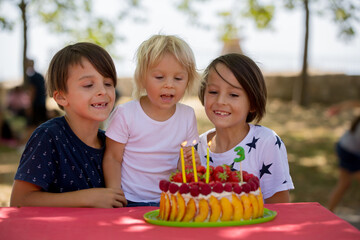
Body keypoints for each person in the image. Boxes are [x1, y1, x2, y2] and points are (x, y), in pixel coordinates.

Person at [10, 42, 127, 208]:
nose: (103, 91)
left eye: (108, 83)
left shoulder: (111, 143)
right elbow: (20, 200)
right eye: (88, 85)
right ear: (61, 97)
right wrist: (88, 198)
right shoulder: (49, 136)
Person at [103, 34, 200, 207]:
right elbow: (112, 157)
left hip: (171, 199)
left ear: (188, 81)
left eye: (178, 78)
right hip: (130, 199)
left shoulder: (187, 115)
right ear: (142, 78)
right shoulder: (126, 113)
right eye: (159, 77)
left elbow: (183, 166)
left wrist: (188, 163)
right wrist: (114, 194)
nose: (169, 84)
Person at [195, 53, 294, 203]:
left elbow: (281, 208)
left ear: (253, 103)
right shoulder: (196, 148)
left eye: (233, 94)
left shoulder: (266, 142)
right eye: (213, 92)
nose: (221, 101)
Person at [327, 100, 360, 212]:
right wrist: (338, 108)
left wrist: (339, 107)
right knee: (343, 184)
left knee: (344, 184)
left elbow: (353, 104)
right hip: (347, 150)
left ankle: (329, 212)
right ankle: (328, 213)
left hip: (346, 148)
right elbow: (354, 103)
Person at [25, 58, 48, 127]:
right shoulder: (40, 76)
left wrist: (30, 106)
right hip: (42, 103)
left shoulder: (32, 77)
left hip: (36, 104)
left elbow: (33, 91)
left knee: (34, 125)